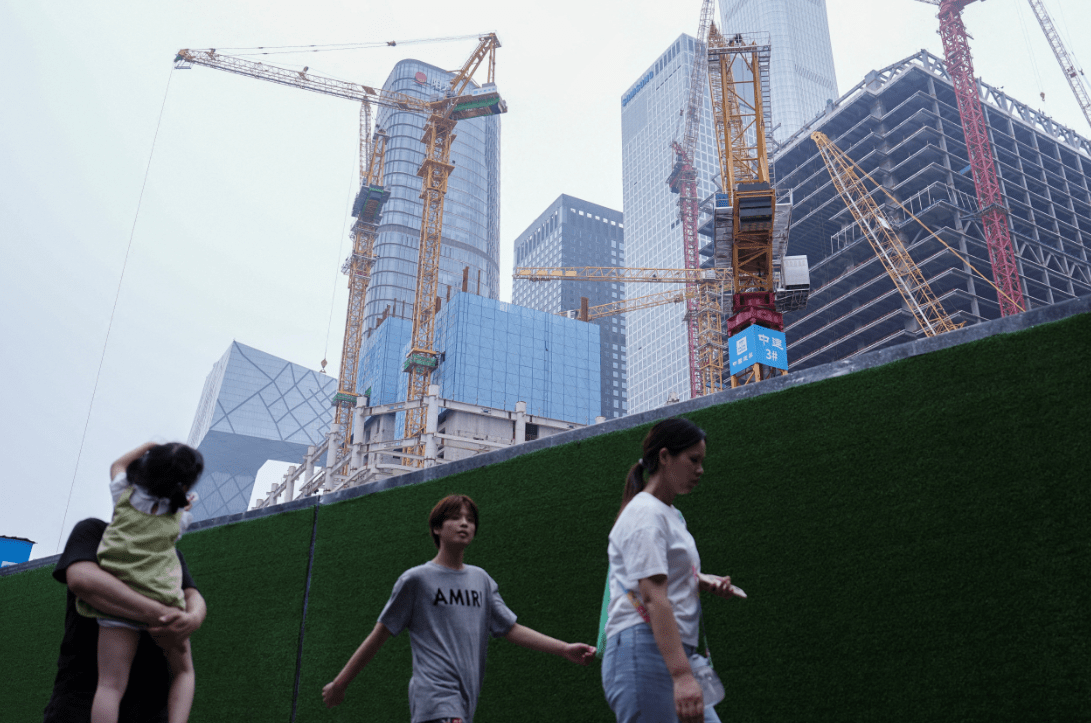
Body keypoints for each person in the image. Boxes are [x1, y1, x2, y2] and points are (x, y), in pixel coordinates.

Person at [322, 494, 597, 723]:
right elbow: (379, 635)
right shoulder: (416, 580)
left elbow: (510, 628)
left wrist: (564, 648)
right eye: (455, 518)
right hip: (435, 699)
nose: (464, 524)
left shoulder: (481, 580)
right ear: (437, 528)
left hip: (465, 703)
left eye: (470, 519)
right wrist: (340, 683)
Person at [601, 418, 742, 723]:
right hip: (646, 651)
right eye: (693, 460)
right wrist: (682, 676)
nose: (700, 469)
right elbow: (653, 596)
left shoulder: (669, 515)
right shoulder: (646, 513)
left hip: (666, 652)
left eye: (701, 461)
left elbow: (657, 577)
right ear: (664, 457)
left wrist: (701, 581)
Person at [70, 442, 205, 723]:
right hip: (164, 601)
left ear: (145, 469)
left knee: (109, 686)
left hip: (117, 605)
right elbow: (176, 511)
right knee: (184, 672)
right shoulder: (179, 519)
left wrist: (147, 446)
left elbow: (116, 466)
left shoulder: (124, 496)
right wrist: (180, 501)